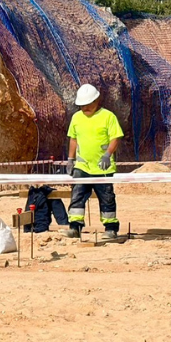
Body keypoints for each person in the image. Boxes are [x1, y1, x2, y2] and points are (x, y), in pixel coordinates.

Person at [66, 83, 124, 240]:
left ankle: (110, 228)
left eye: (88, 104)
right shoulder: (76, 118)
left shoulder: (108, 117)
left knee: (106, 197)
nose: (85, 108)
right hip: (82, 166)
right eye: (82, 105)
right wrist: (70, 159)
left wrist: (107, 155)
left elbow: (115, 137)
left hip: (102, 167)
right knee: (77, 196)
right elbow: (73, 139)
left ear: (97, 101)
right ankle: (75, 227)